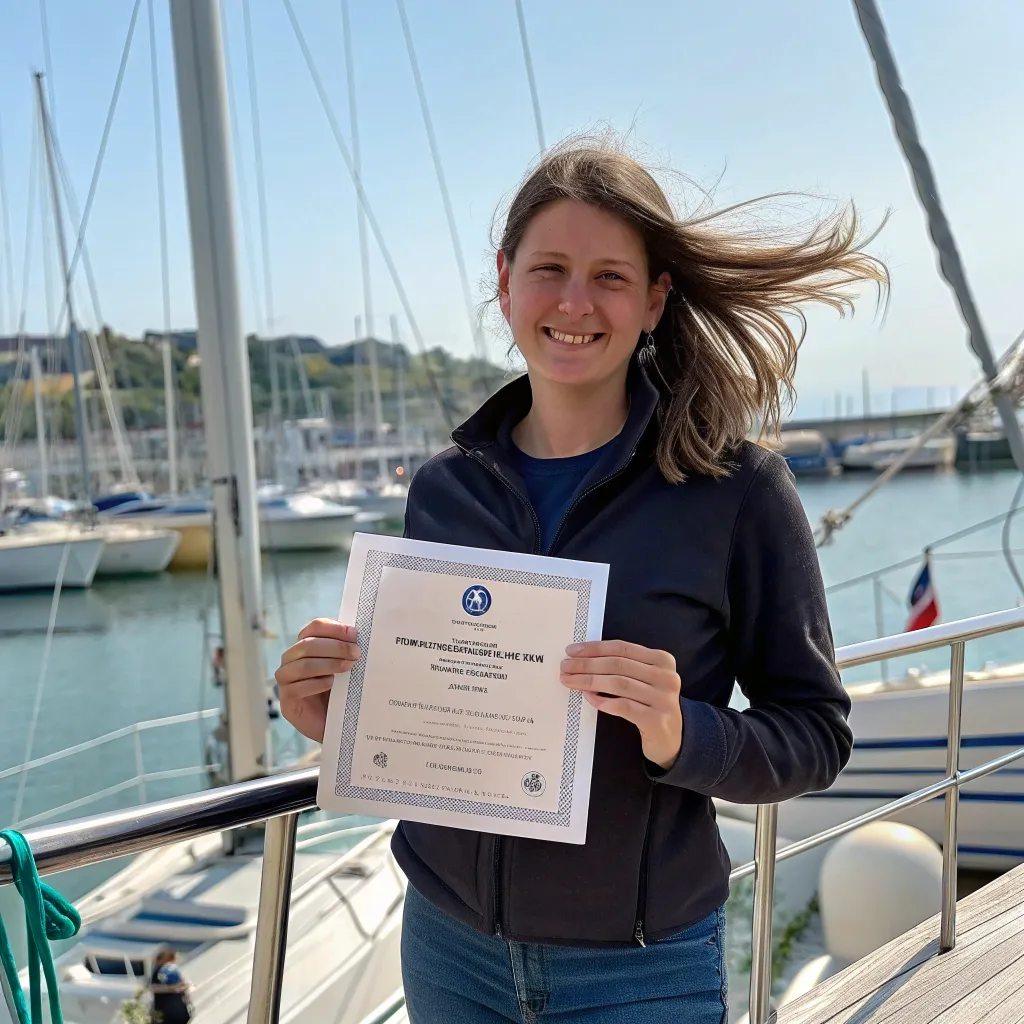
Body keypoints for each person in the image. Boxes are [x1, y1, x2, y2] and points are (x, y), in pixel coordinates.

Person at [275, 138, 887, 1023]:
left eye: (609, 276)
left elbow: (816, 737)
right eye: (550, 268)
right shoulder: (444, 488)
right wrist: (334, 719)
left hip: (641, 971)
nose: (574, 302)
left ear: (653, 300)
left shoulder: (738, 493)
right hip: (448, 944)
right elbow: (436, 721)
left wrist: (683, 734)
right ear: (505, 283)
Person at [149, 948, 192, 1024]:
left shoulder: (169, 970)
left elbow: (181, 984)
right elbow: (153, 987)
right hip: (167, 1010)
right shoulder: (159, 971)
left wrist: (183, 986)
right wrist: (172, 988)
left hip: (175, 1009)